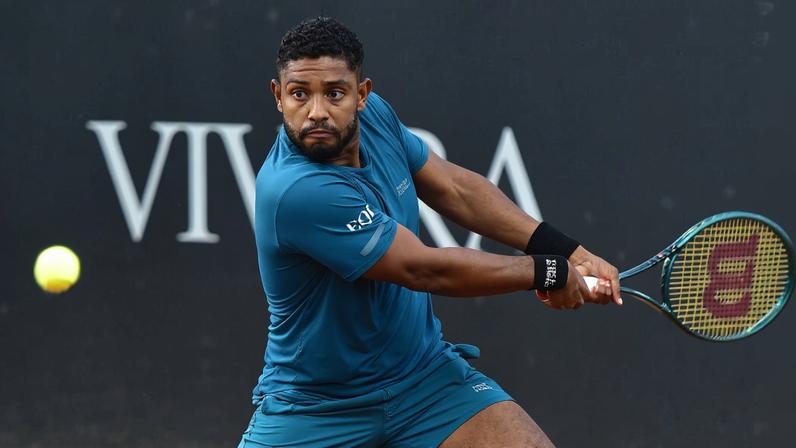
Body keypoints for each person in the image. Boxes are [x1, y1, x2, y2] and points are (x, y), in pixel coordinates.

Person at [239, 16, 622, 448]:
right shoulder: (295, 191)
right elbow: (424, 270)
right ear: (278, 96)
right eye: (299, 94)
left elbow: (455, 189)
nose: (317, 112)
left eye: (334, 93)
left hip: (424, 383)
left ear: (362, 95)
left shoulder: (377, 119)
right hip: (315, 410)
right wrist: (547, 271)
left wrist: (568, 251)